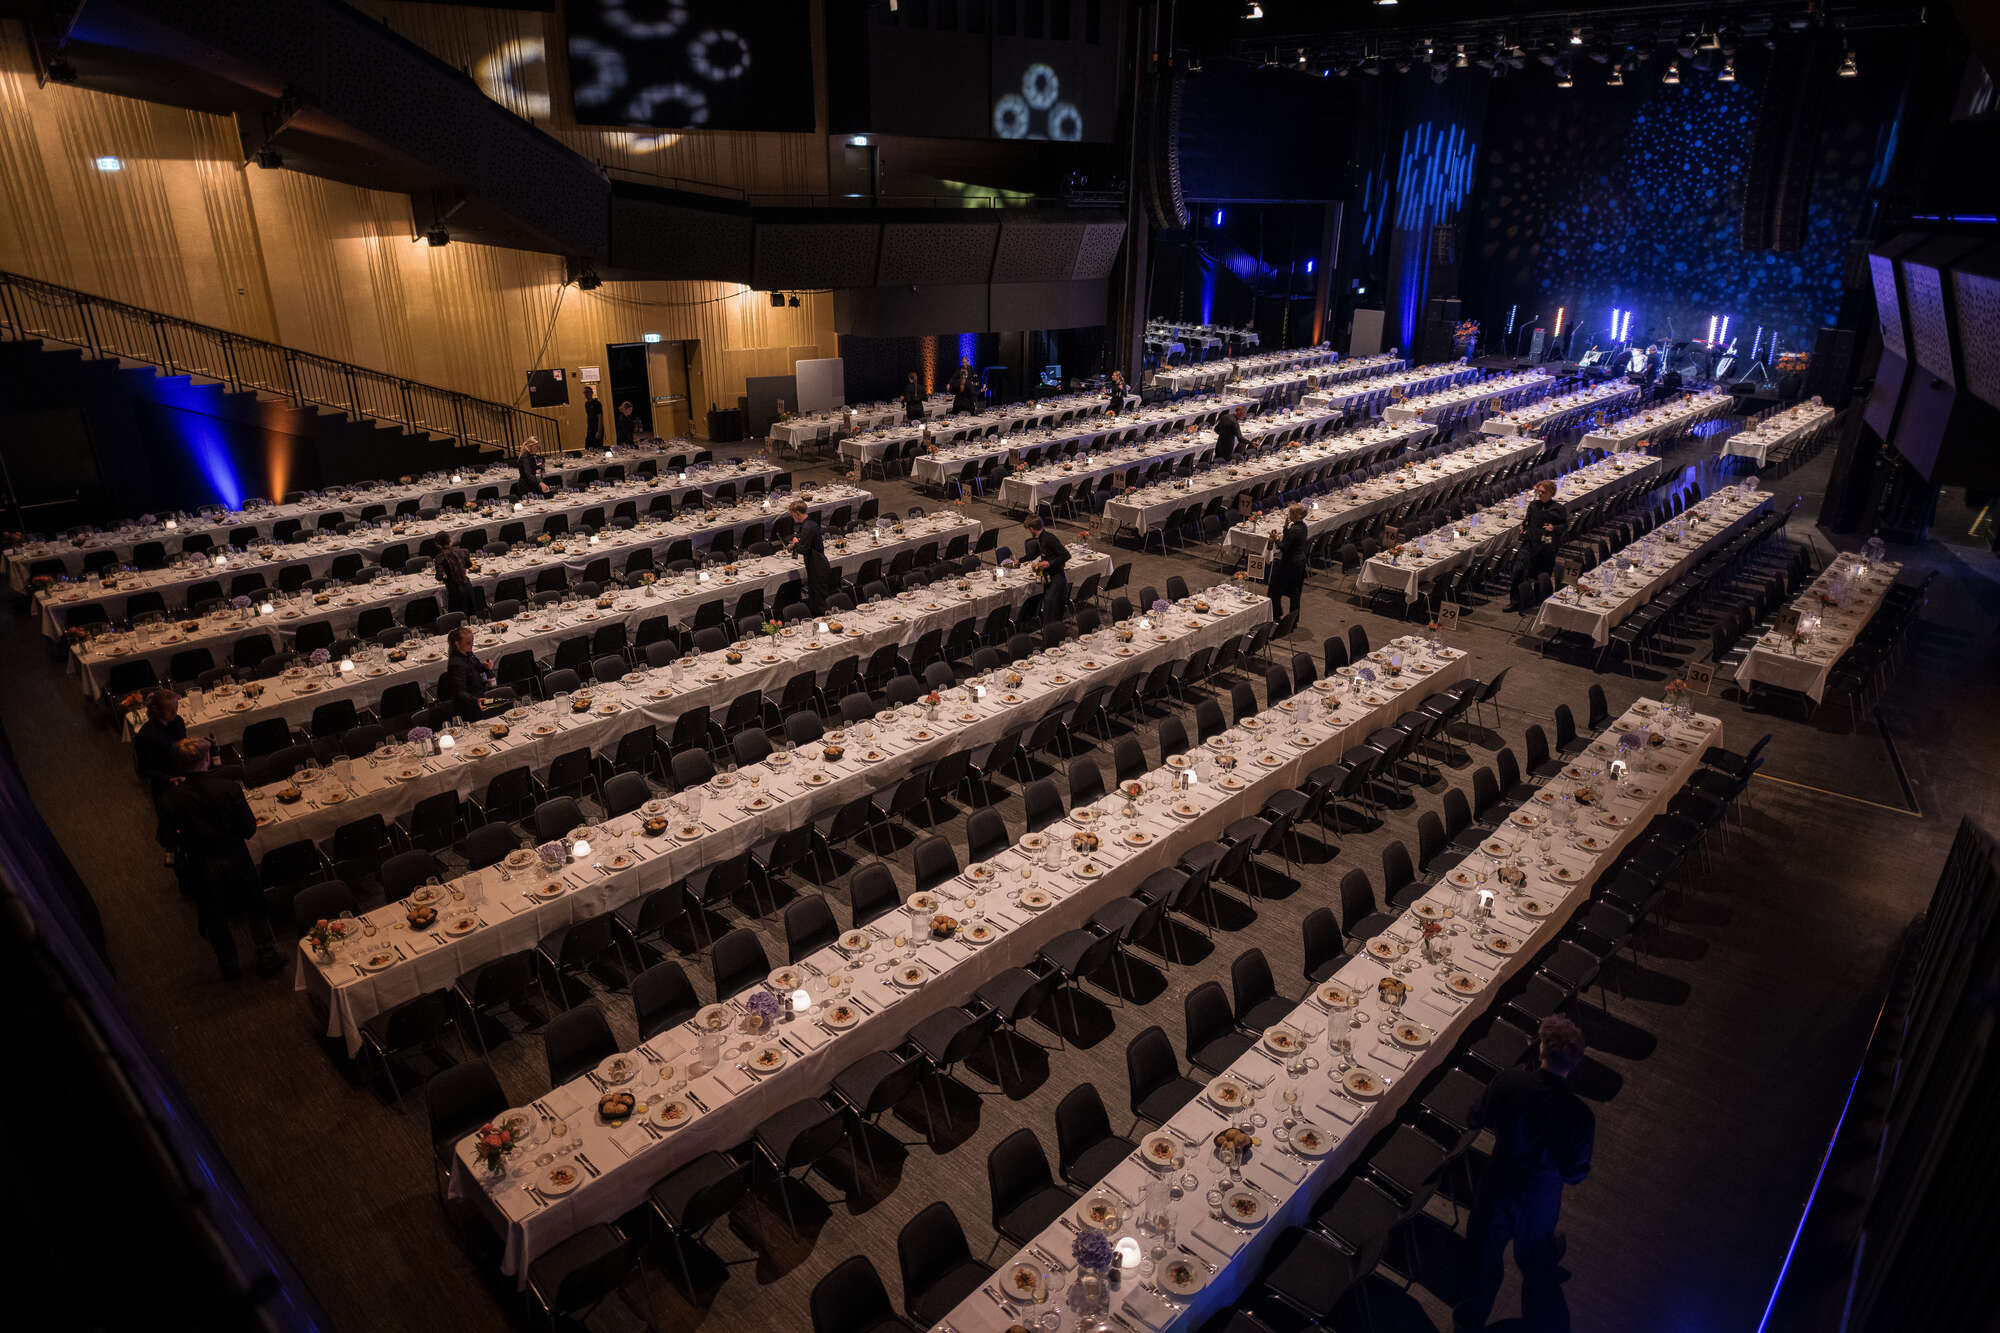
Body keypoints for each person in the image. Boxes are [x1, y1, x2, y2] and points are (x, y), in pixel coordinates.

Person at [1453, 1015, 1594, 1332]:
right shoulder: (1581, 1116)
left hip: (1496, 1192)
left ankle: (1467, 1325)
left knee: (1482, 1267)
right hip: (1539, 1203)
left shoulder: (1509, 1082)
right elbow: (1574, 1174)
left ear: (1541, 1049)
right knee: (1535, 1268)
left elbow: (1475, 1118)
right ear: (1574, 1064)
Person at [162, 738, 280, 980]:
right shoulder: (228, 788)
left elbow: (165, 837)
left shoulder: (171, 799)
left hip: (201, 863)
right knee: (254, 906)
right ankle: (267, 956)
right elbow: (248, 829)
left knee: (215, 916)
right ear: (206, 760)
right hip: (235, 857)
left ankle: (229, 966)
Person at [134, 687, 188, 863]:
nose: (175, 712)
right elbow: (144, 770)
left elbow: (183, 747)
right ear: (156, 710)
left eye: (176, 707)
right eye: (169, 709)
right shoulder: (145, 736)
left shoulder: (178, 722)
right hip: (164, 785)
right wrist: (167, 779)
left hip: (183, 778)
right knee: (171, 823)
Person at [1508, 479, 1567, 611]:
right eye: (1539, 491)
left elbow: (1564, 526)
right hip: (1529, 543)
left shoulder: (1558, 509)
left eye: (1543, 492)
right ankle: (1515, 601)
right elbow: (1527, 520)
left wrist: (1554, 528)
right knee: (1518, 571)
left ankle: (1539, 602)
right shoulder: (1533, 505)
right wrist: (1523, 527)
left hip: (1546, 547)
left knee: (1541, 575)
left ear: (1551, 493)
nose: (1540, 494)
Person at [438, 625, 499, 721]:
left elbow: (477, 667)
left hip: (478, 696)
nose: (472, 644)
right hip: (467, 706)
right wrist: (475, 700)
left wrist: (485, 667)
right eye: (468, 643)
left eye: (472, 641)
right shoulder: (456, 664)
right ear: (457, 644)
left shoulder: (468, 653)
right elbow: (459, 692)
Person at [1024, 513, 1069, 626]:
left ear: (1032, 528)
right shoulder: (1041, 539)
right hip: (1050, 579)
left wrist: (1049, 563)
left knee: (1051, 614)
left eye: (1029, 530)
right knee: (1049, 612)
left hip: (1057, 579)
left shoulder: (1049, 539)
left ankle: (1050, 639)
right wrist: (1019, 561)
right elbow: (1034, 554)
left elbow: (1066, 555)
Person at [1267, 503, 1309, 622]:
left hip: (1290, 563)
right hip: (1300, 561)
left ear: (1294, 515)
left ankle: (1275, 614)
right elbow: (1289, 540)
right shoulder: (1302, 526)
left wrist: (1276, 539)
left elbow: (1284, 547)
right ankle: (1293, 620)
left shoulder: (1295, 530)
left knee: (1274, 589)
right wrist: (1286, 527)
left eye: (1290, 512)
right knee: (1295, 592)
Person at [787, 499, 831, 614]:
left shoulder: (807, 527)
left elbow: (804, 549)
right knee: (815, 598)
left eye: (792, 515)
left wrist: (796, 543)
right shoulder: (810, 523)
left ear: (797, 513)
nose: (792, 517)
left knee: (819, 602)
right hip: (818, 565)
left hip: (817, 567)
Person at [431, 531, 473, 616]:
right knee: (470, 614)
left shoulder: (439, 558)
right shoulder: (464, 552)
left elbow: (439, 577)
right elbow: (469, 565)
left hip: (454, 589)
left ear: (437, 544)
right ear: (450, 541)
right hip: (467, 585)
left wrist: (444, 576)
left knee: (456, 617)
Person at [582, 383, 603, 450]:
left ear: (591, 393)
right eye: (585, 392)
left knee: (597, 447)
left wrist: (599, 431)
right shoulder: (586, 404)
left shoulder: (597, 403)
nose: (586, 394)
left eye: (587, 392)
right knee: (588, 446)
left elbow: (600, 417)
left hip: (597, 428)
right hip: (590, 428)